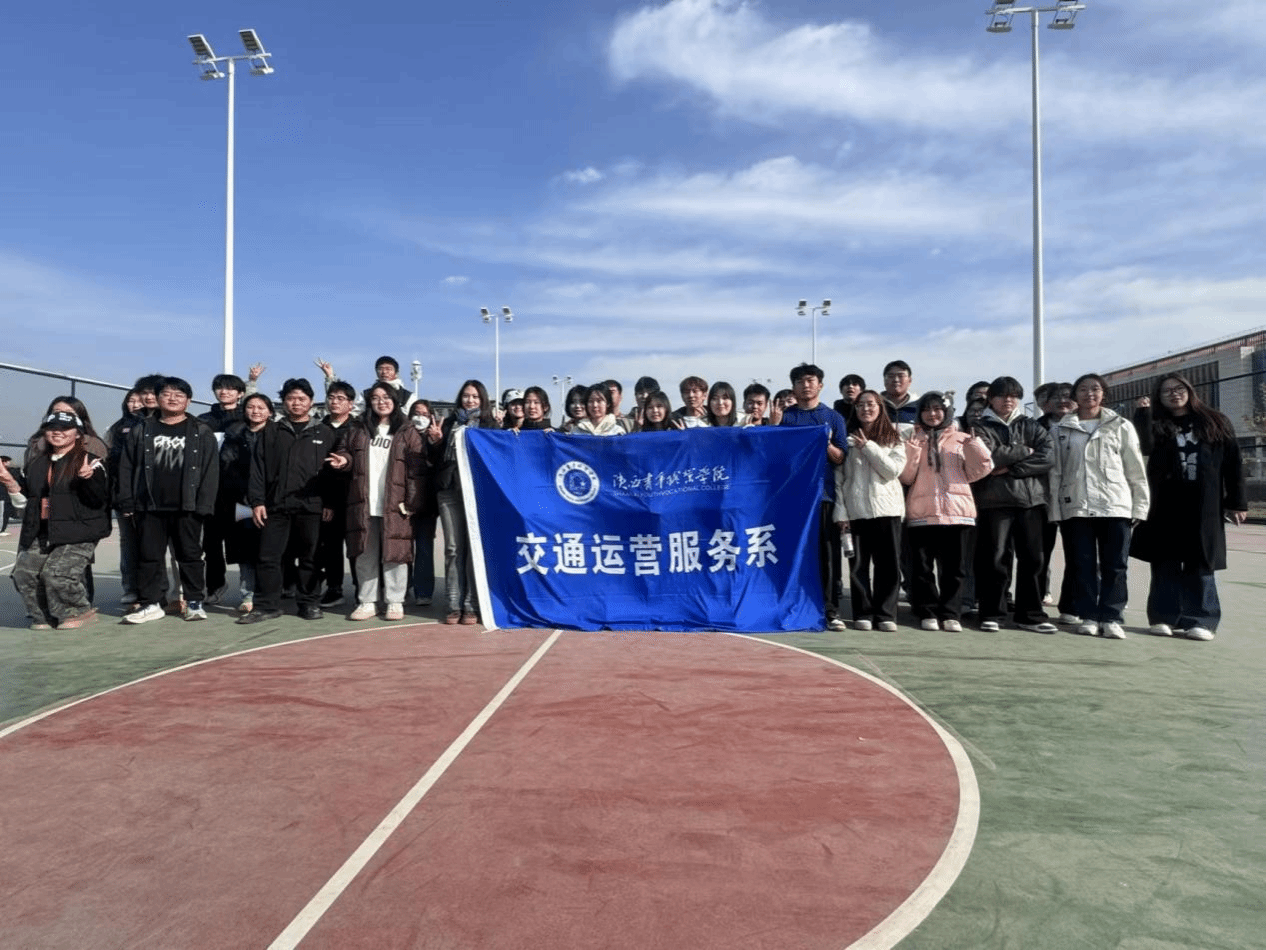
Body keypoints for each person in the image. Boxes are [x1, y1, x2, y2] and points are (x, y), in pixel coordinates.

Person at [1130, 373, 1247, 641]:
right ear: (1159, 397)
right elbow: (1143, 446)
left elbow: (1234, 463)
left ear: (1189, 390)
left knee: (1201, 561)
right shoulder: (1157, 423)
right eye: (1166, 391)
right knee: (1164, 561)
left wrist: (1237, 502)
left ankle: (1201, 620)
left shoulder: (1215, 421)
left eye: (1178, 388)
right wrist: (1143, 414)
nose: (1174, 394)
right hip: (1165, 504)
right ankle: (1163, 617)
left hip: (1204, 504)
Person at [1049, 373, 1149, 640]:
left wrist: (1139, 506)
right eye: (1083, 389)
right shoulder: (1060, 429)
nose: (1089, 394)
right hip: (1076, 507)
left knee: (1115, 565)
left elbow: (1135, 469)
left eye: (1095, 389)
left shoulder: (1121, 425)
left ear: (1104, 393)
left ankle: (1112, 616)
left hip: (1115, 505)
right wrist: (1055, 510)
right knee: (1081, 565)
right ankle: (1089, 616)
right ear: (1075, 395)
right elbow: (1055, 473)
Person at [116, 377, 220, 624]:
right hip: (149, 505)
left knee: (190, 556)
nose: (173, 398)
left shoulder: (201, 430)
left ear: (189, 401)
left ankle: (194, 603)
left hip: (187, 506)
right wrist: (127, 500)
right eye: (167, 394)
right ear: (157, 398)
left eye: (179, 394)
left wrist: (204, 505)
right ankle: (152, 604)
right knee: (149, 557)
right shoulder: (142, 429)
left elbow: (210, 471)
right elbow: (127, 467)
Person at [238, 378, 338, 624]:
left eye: (302, 399)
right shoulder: (270, 431)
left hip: (311, 506)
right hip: (275, 505)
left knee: (310, 557)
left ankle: (309, 603)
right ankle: (266, 606)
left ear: (311, 402)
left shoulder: (325, 432)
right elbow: (257, 469)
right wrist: (257, 502)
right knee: (268, 557)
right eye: (291, 398)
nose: (296, 403)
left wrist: (329, 503)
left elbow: (333, 474)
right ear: (283, 402)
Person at [329, 382, 428, 621]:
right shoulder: (359, 428)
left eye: (386, 397)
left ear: (395, 400)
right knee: (365, 553)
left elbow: (417, 470)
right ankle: (367, 601)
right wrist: (344, 460)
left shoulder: (406, 430)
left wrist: (412, 502)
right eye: (375, 397)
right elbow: (345, 451)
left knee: (396, 553)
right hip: (364, 501)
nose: (381, 402)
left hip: (395, 503)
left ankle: (395, 601)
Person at [900, 392, 994, 631]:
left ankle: (951, 613)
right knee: (922, 568)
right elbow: (906, 477)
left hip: (957, 512)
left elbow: (979, 471)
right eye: (926, 409)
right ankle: (927, 611)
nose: (932, 414)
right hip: (922, 513)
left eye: (937, 409)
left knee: (955, 568)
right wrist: (912, 451)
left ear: (947, 412)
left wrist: (975, 447)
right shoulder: (912, 439)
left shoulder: (963, 438)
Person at [9, 411, 111, 630]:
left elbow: (99, 500)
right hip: (44, 530)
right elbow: (26, 500)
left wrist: (88, 479)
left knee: (58, 574)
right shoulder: (36, 464)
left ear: (77, 434)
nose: (58, 432)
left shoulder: (91, 462)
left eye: (65, 429)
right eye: (52, 428)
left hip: (79, 531)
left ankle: (77, 611)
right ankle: (43, 616)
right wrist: (10, 483)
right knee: (23, 573)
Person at [971, 376, 1056, 634]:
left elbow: (1048, 456)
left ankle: (1030, 615)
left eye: (1013, 395)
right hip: (994, 502)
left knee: (1033, 559)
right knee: (995, 559)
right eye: (1001, 395)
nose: (1008, 400)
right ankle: (992, 613)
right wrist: (1024, 451)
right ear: (991, 399)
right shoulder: (979, 427)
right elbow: (988, 458)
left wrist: (1013, 468)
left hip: (1031, 501)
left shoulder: (1032, 425)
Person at [779, 363, 849, 629]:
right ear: (793, 387)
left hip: (823, 497)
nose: (805, 385)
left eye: (810, 380)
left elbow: (840, 458)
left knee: (826, 556)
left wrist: (826, 443)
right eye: (799, 381)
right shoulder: (786, 417)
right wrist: (774, 427)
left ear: (820, 385)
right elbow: (778, 456)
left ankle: (830, 610)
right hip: (793, 498)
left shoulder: (833, 417)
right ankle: (794, 607)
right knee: (793, 554)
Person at [834, 391, 906, 631]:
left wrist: (869, 447)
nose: (866, 409)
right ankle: (863, 612)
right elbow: (839, 479)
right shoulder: (846, 439)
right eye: (860, 405)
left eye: (871, 404)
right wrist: (841, 512)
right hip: (856, 511)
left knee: (888, 566)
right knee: (858, 567)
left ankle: (886, 614)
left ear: (880, 407)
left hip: (888, 510)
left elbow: (892, 471)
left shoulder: (893, 437)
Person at [427, 379, 498, 625]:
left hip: (477, 493)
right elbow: (434, 459)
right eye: (467, 396)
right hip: (449, 490)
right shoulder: (448, 424)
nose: (470, 400)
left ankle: (471, 603)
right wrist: (436, 442)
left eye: (475, 397)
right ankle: (453, 603)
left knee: (473, 548)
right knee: (453, 548)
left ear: (483, 400)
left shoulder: (490, 426)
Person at [218, 393, 273, 613]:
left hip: (272, 501)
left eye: (261, 407)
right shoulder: (234, 435)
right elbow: (225, 465)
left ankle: (272, 591)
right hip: (241, 501)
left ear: (270, 411)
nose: (256, 411)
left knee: (270, 549)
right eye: (251, 407)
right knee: (245, 550)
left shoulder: (278, 434)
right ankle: (248, 594)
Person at [317, 381, 356, 608]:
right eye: (331, 397)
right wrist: (327, 502)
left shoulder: (359, 429)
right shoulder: (319, 428)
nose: (335, 402)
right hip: (326, 497)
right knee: (330, 546)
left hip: (353, 496)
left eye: (340, 398)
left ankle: (363, 589)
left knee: (357, 547)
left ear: (351, 404)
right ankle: (334, 588)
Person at [407, 399, 441, 605]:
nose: (420, 418)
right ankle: (402, 588)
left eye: (425, 414)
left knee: (424, 546)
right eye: (416, 413)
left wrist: (435, 443)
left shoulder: (436, 436)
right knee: (402, 547)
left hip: (427, 501)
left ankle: (424, 591)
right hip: (403, 501)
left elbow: (439, 463)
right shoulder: (401, 435)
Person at [881, 361, 919, 428]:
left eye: (901, 376)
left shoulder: (920, 407)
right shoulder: (875, 406)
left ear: (910, 380)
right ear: (884, 380)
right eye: (891, 376)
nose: (896, 380)